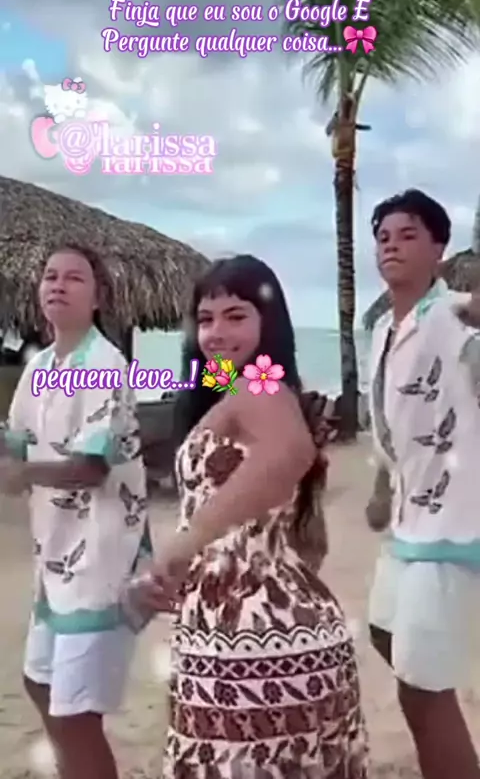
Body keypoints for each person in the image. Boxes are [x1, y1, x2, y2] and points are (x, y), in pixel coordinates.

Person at [141, 254, 369, 777]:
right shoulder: (246, 393)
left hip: (252, 640)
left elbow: (292, 452)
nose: (216, 333)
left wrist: (185, 545)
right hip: (252, 630)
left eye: (236, 315)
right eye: (205, 319)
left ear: (270, 324)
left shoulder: (258, 387)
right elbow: (308, 541)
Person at [0, 243, 150, 779]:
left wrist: (24, 475)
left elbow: (91, 468)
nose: (58, 285)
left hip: (103, 558)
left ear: (97, 297)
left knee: (75, 715)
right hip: (56, 556)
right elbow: (15, 444)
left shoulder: (104, 364)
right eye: (50, 276)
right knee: (39, 685)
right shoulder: (40, 368)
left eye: (74, 277)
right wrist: (12, 462)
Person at [367, 189, 480, 779]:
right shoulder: (382, 328)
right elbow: (388, 417)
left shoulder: (457, 317)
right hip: (406, 520)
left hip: (453, 525)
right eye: (383, 237)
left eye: (408, 235)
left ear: (439, 248)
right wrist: (379, 484)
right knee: (383, 635)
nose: (391, 245)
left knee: (421, 688)